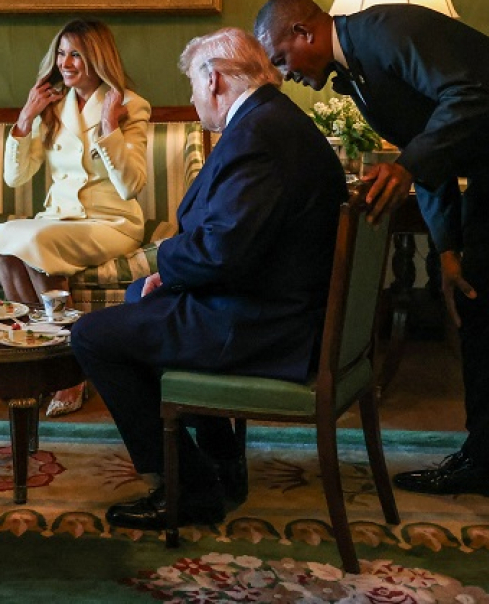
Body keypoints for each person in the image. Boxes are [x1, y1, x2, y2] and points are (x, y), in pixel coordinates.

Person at [254, 0, 489, 565]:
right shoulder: (355, 75)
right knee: (480, 308)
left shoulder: (389, 29)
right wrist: (446, 250)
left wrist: (408, 166)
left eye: (281, 58)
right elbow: (431, 150)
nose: (284, 74)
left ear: (304, 31)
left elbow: (467, 98)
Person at [71, 27, 346, 531]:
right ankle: (220, 460)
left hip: (263, 324)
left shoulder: (258, 136)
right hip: (275, 303)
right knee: (137, 298)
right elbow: (236, 240)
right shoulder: (275, 119)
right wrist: (171, 277)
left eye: (194, 87)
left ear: (214, 79)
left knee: (92, 336)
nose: (195, 99)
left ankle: (190, 489)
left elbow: (222, 251)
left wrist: (166, 261)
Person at [0, 19, 150, 417]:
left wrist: (109, 127)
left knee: (36, 242)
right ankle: (35, 364)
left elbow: (131, 186)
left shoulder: (130, 105)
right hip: (58, 219)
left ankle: (71, 371)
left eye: (76, 55)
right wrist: (26, 119)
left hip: (111, 222)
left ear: (98, 58)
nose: (65, 63)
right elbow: (16, 177)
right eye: (61, 53)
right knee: (8, 244)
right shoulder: (54, 107)